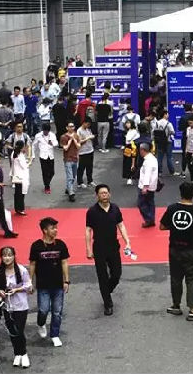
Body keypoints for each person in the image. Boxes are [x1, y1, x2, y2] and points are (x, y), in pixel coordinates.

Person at [160, 182, 193, 321]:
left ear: (180, 193)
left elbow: (162, 226)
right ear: (192, 194)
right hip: (191, 249)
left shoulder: (172, 209)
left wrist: (175, 227)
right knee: (192, 279)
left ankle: (176, 305)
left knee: (176, 278)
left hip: (174, 249)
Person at [85, 184, 131, 315]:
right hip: (99, 248)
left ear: (109, 194)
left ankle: (106, 290)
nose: (104, 195)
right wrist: (88, 249)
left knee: (116, 274)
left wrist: (127, 242)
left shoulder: (115, 208)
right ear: (97, 196)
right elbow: (88, 230)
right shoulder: (92, 211)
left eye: (106, 193)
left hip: (113, 246)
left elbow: (121, 225)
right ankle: (108, 304)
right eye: (101, 193)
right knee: (102, 276)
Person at [29, 217, 70, 347]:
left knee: (57, 311)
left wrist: (66, 280)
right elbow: (32, 264)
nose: (55, 230)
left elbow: (64, 262)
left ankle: (55, 335)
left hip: (58, 284)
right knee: (43, 310)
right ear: (45, 230)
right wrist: (30, 281)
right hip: (43, 285)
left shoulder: (61, 245)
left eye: (56, 228)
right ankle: (41, 323)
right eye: (52, 228)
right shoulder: (36, 246)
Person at [0, 246, 32, 368]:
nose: (7, 258)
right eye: (4, 255)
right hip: (7, 306)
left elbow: (28, 285)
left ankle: (24, 353)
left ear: (14, 256)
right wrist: (0, 291)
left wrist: (16, 290)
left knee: (19, 330)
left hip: (20, 305)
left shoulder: (21, 270)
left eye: (9, 255)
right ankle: (17, 353)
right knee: (12, 331)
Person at [10, 140, 31, 216]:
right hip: (21, 176)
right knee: (21, 193)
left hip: (16, 175)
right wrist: (29, 162)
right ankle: (20, 209)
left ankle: (17, 208)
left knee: (17, 193)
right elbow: (24, 166)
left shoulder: (14, 153)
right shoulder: (20, 155)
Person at [152, 110, 176, 175]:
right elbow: (173, 132)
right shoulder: (168, 123)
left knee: (159, 157)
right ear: (165, 115)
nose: (168, 115)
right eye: (167, 114)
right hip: (167, 141)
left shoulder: (156, 123)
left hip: (159, 142)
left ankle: (159, 171)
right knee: (169, 157)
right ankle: (172, 171)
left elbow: (153, 132)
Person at [60, 122, 79, 202]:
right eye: (69, 126)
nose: (71, 128)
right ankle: (71, 193)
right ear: (67, 128)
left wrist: (74, 139)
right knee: (70, 177)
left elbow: (78, 146)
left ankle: (68, 188)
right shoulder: (63, 137)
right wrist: (70, 140)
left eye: (72, 126)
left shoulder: (76, 135)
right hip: (67, 159)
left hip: (75, 159)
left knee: (73, 176)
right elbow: (65, 148)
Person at [76, 118, 96, 188]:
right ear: (84, 123)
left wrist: (92, 137)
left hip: (90, 150)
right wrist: (87, 138)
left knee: (89, 167)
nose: (88, 126)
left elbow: (91, 136)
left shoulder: (88, 130)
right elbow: (79, 142)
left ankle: (90, 181)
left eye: (89, 125)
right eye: (87, 124)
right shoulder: (79, 131)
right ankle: (80, 182)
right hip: (83, 152)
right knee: (81, 167)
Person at [122, 120, 139, 185]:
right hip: (128, 148)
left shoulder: (134, 131)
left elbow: (128, 139)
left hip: (132, 147)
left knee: (132, 162)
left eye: (129, 123)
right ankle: (129, 177)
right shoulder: (128, 131)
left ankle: (132, 177)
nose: (127, 124)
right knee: (127, 162)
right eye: (126, 123)